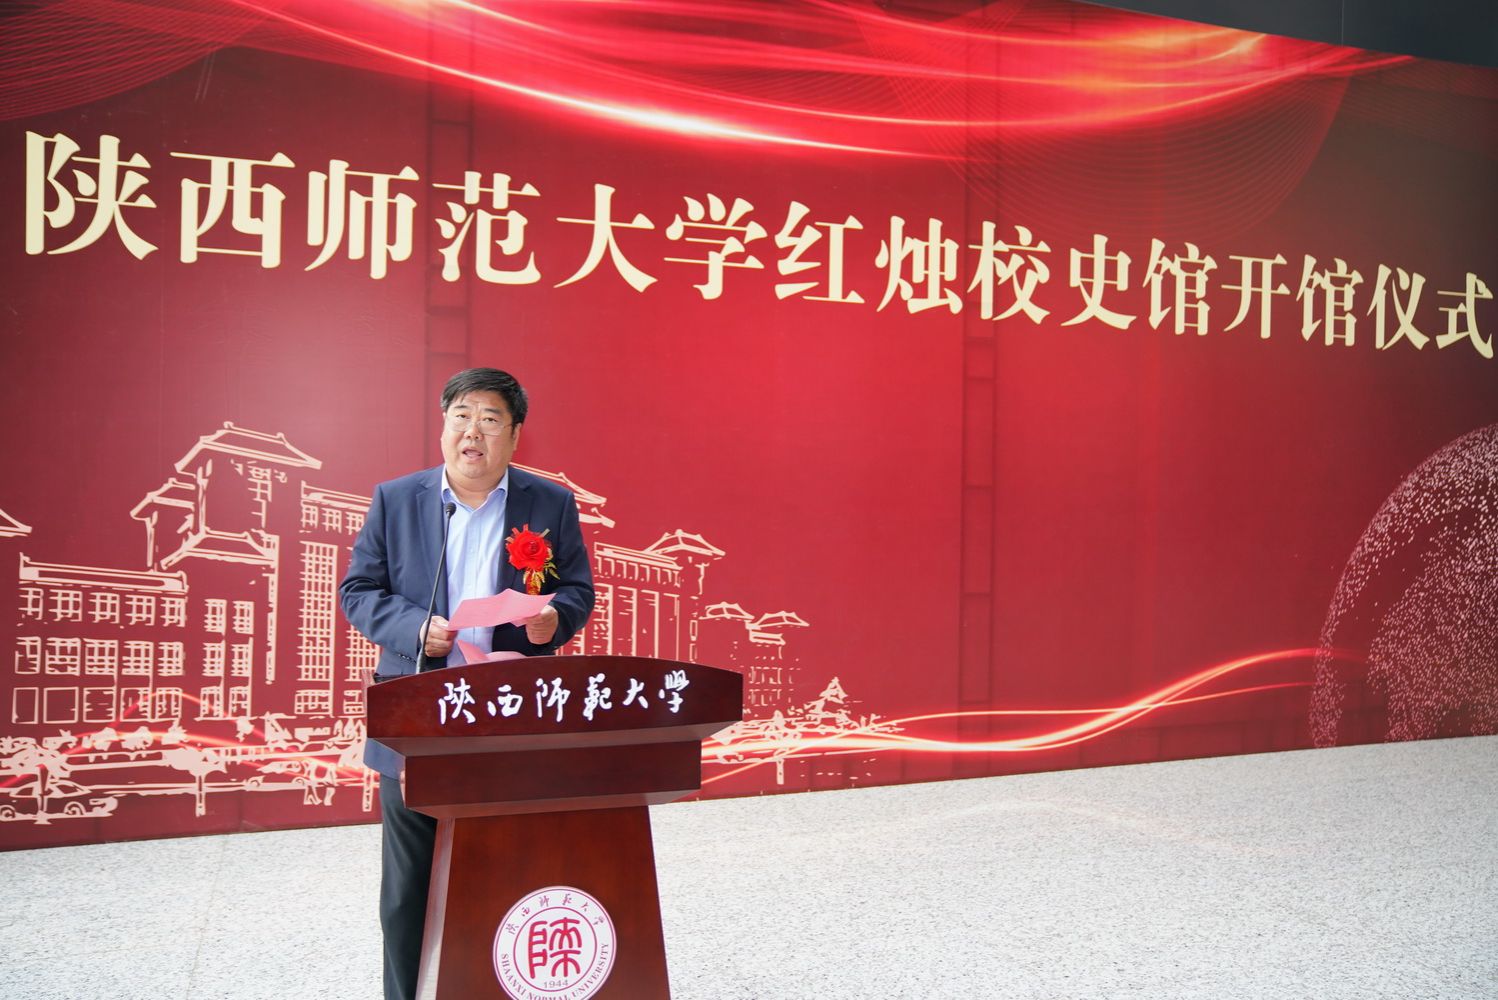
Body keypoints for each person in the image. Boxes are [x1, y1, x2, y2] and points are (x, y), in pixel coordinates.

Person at [339, 367, 595, 1000]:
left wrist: (555, 619)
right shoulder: (397, 500)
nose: (472, 431)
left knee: (508, 872)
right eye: (461, 416)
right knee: (409, 890)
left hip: (511, 715)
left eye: (489, 419)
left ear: (515, 435)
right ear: (443, 426)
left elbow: (577, 590)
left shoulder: (549, 504)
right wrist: (413, 626)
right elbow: (358, 591)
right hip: (418, 715)